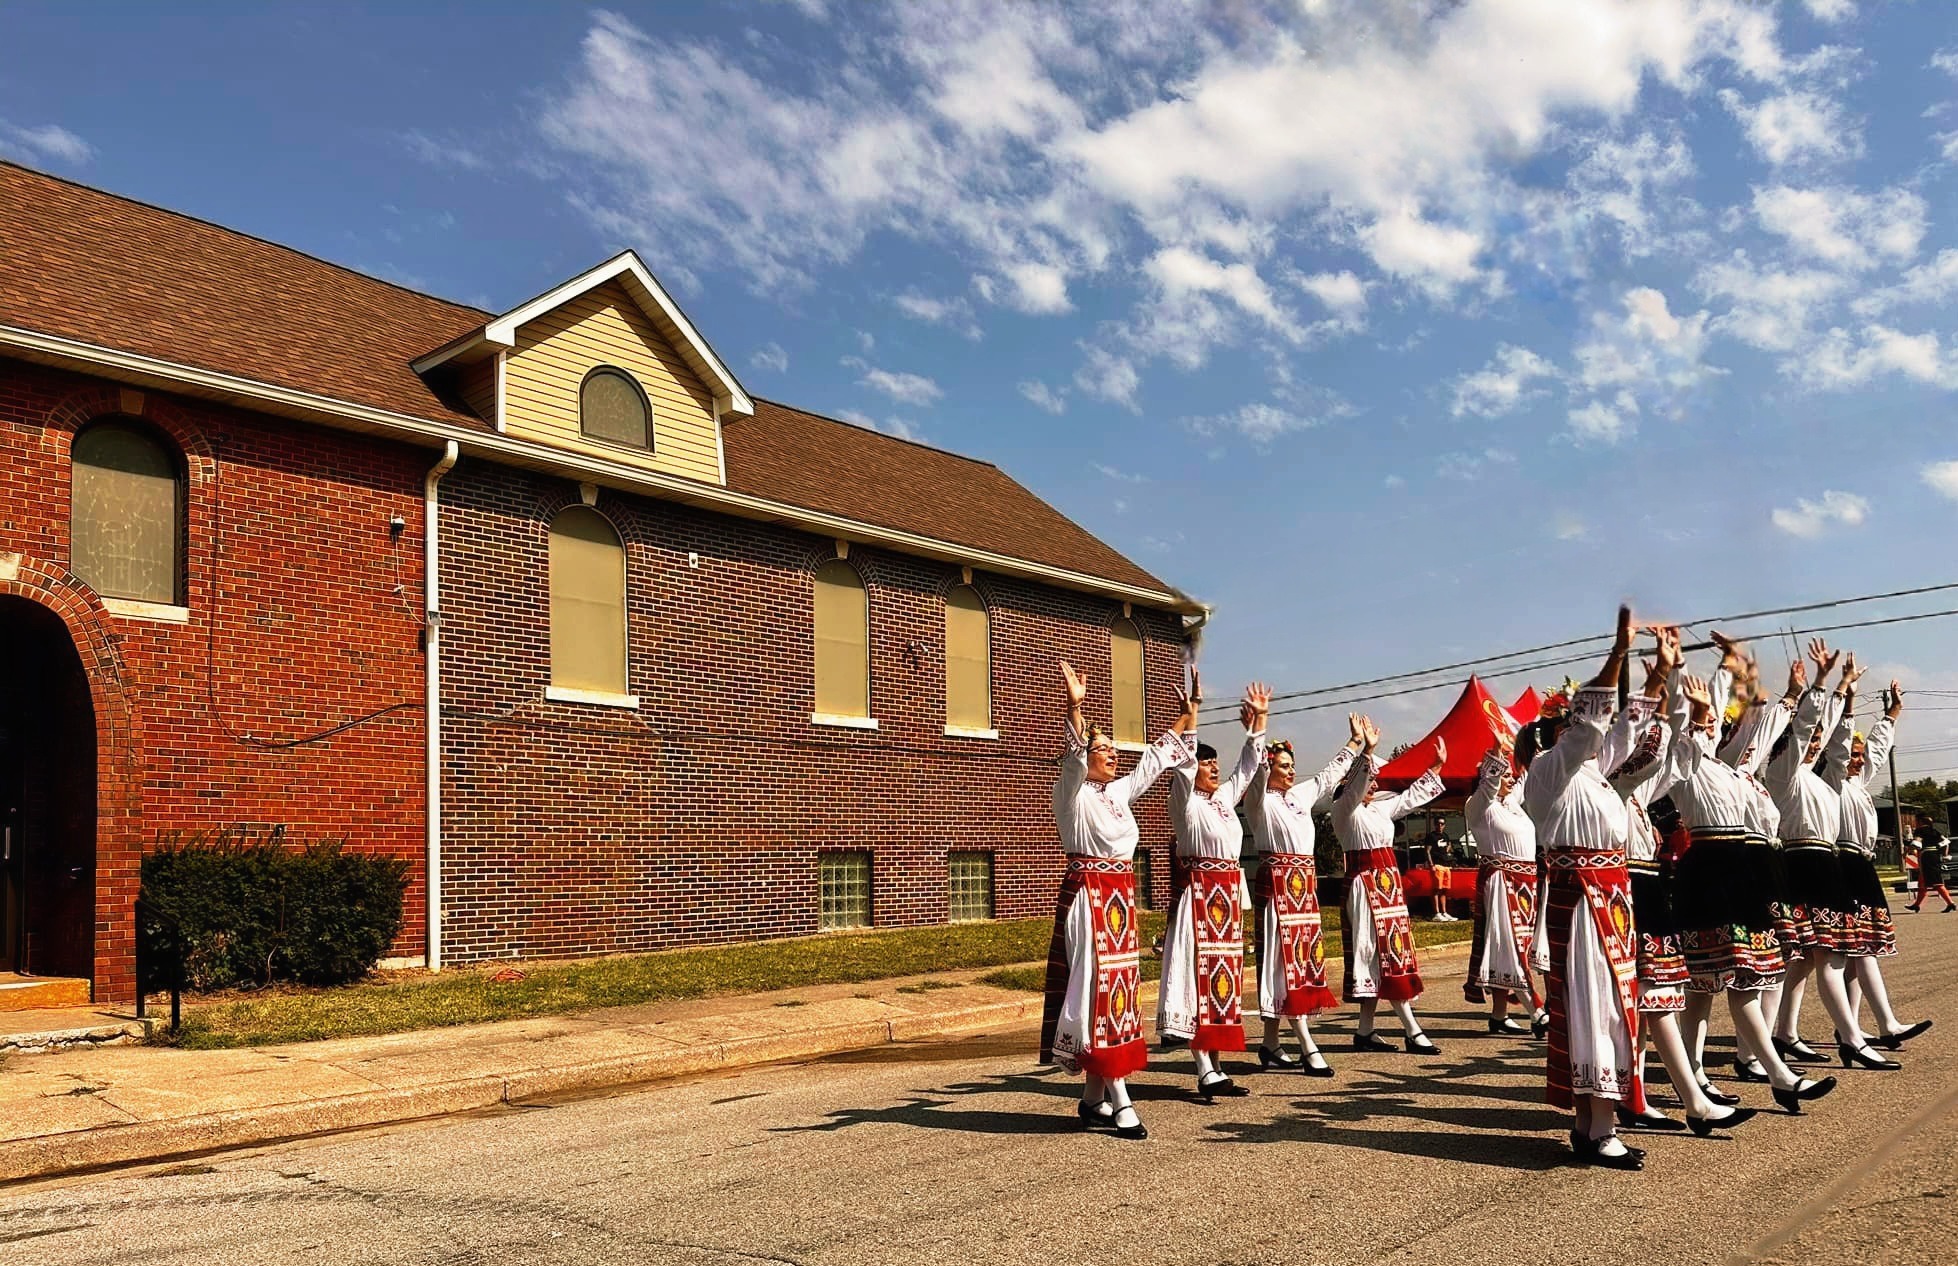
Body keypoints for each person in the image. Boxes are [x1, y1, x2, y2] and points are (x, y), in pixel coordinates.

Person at [1667, 644, 1838, 1116]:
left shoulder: (1732, 771)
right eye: (1706, 720)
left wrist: (1798, 694)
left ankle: (1718, 1074)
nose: (1711, 724)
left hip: (1739, 875)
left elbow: (1762, 732)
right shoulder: (1683, 762)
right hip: (1707, 872)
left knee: (1742, 977)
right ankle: (1760, 1075)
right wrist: (1693, 677)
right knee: (1706, 986)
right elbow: (1683, 727)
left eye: (1715, 721)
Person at [1518, 606, 1656, 1168]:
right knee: (1594, 1006)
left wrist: (1659, 674)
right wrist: (1619, 653)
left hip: (1611, 901)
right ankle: (1600, 1129)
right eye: (1573, 727)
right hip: (1582, 902)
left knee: (1610, 1005)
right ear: (1560, 732)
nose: (1590, 734)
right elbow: (1594, 726)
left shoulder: (1596, 776)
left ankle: (1590, 1125)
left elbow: (1628, 731)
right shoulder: (1548, 771)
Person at [1605, 627, 1757, 1137]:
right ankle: (1690, 1101)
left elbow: (1676, 752)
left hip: (1646, 893)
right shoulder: (1607, 785)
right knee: (1653, 1001)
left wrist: (1692, 694)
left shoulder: (1638, 790)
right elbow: (1654, 746)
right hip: (1625, 894)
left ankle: (1640, 1097)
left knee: (1654, 1002)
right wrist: (1665, 682)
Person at [1042, 660, 1196, 1140]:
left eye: (1112, 749)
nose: (1112, 754)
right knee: (1097, 992)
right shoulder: (1072, 794)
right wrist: (1074, 708)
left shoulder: (1117, 793)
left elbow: (1152, 760)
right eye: (1102, 749)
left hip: (1119, 903)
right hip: (1089, 898)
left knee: (1119, 993)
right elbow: (1072, 761)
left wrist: (1187, 717)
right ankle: (1121, 1098)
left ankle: (1093, 1098)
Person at [1766, 650, 1895, 1071]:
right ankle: (1852, 1038)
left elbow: (1840, 748)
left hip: (1828, 864)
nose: (1814, 744)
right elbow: (1803, 730)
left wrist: (1847, 694)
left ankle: (1785, 1033)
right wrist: (1824, 684)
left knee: (1810, 958)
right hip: (1803, 863)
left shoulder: (1825, 782)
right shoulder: (1783, 775)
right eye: (1809, 740)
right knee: (1829, 956)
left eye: (1817, 741)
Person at [1159, 681, 1271, 1099]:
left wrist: (1259, 721)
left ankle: (1217, 1065)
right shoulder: (1184, 804)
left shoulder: (1223, 800)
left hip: (1226, 900)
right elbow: (1183, 768)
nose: (1213, 768)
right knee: (1198, 980)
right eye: (1206, 764)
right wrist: (1193, 714)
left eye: (1214, 762)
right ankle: (1204, 1068)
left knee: (1224, 981)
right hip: (1200, 899)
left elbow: (1247, 765)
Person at [1244, 718, 1366, 1075]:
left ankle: (1270, 1044)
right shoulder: (1258, 801)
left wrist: (1355, 743)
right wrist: (1258, 735)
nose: (1290, 771)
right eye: (1283, 766)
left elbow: (1328, 776)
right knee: (1282, 964)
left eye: (1291, 765)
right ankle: (1307, 1045)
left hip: (1303, 893)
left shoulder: (1298, 796)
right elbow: (1255, 775)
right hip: (1278, 891)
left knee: (1298, 964)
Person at [1825, 681, 1932, 1049]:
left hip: (1861, 863)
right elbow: (1841, 746)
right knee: (1862, 948)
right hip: (1843, 862)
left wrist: (1893, 713)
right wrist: (1848, 703)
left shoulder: (1857, 782)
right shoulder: (1831, 781)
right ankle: (1886, 1023)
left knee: (1861, 950)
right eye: (1852, 755)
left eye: (1859, 755)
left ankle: (1850, 1029)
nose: (1858, 760)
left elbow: (1877, 748)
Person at [1332, 721, 1447, 1053]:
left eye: (1373, 780)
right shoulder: (1344, 810)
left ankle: (1365, 1031)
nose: (1373, 783)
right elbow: (1355, 788)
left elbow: (1410, 798)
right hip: (1365, 887)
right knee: (1378, 953)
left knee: (1386, 953)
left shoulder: (1379, 808)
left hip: (1388, 890)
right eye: (1368, 779)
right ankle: (1412, 1030)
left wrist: (1436, 767)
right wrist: (1367, 751)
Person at [1464, 730, 1546, 1036]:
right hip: (1501, 883)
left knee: (1510, 947)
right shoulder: (1478, 807)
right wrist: (1497, 751)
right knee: (1510, 946)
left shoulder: (1511, 803)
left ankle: (1499, 1016)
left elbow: (1527, 776)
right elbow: (1489, 784)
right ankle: (1537, 1011)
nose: (1509, 779)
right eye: (1503, 775)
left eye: (1509, 775)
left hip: (1525, 884)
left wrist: (1534, 741)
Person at [1906, 813, 1954, 913]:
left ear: (1920, 821)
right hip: (1935, 855)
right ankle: (1916, 905)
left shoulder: (1920, 830)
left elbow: (1917, 843)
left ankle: (1950, 903)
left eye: (1916, 821)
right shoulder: (1934, 831)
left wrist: (1909, 849)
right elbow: (1946, 842)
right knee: (1922, 882)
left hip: (1926, 856)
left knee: (1936, 882)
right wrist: (1945, 855)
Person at [1429, 820, 1459, 922]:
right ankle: (1437, 913)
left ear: (1444, 825)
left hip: (1446, 864)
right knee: (1437, 889)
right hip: (1437, 864)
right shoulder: (1431, 836)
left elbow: (1449, 845)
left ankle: (1444, 912)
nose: (1440, 825)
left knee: (1445, 889)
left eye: (1442, 824)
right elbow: (1427, 850)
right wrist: (1431, 864)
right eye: (1438, 823)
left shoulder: (1445, 835)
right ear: (1435, 825)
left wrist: (1448, 849)